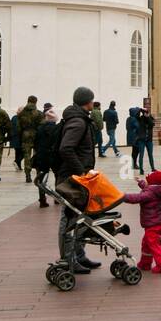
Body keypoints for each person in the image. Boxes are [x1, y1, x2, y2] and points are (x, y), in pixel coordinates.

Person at [55, 86, 101, 273]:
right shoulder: (78, 122)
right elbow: (66, 148)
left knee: (79, 217)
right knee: (68, 218)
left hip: (76, 177)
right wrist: (80, 171)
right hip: (72, 178)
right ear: (87, 101)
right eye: (91, 99)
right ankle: (68, 259)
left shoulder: (80, 119)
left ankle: (79, 256)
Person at [122, 170, 161, 274]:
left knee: (153, 244)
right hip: (155, 223)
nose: (146, 182)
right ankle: (145, 263)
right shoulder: (156, 189)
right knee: (147, 244)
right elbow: (147, 186)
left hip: (153, 224)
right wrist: (140, 182)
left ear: (152, 183)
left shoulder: (149, 193)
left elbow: (137, 198)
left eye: (147, 181)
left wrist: (123, 197)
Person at [32, 105, 59, 209]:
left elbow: (35, 143)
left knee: (42, 179)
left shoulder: (39, 128)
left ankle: (42, 200)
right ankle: (57, 198)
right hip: (54, 156)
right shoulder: (57, 129)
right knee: (58, 177)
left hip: (42, 156)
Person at [18, 96, 44, 183]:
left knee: (27, 156)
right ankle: (38, 173)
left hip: (25, 135)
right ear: (36, 102)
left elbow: (18, 127)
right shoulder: (39, 113)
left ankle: (28, 175)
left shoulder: (21, 114)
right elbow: (42, 126)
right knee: (38, 155)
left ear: (28, 101)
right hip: (36, 136)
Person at [137, 98, 156, 173]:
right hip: (142, 139)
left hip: (149, 140)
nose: (146, 113)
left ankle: (153, 168)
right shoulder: (140, 119)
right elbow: (135, 115)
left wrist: (148, 117)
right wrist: (140, 110)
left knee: (150, 155)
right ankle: (141, 169)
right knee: (141, 154)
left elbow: (151, 124)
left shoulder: (150, 118)